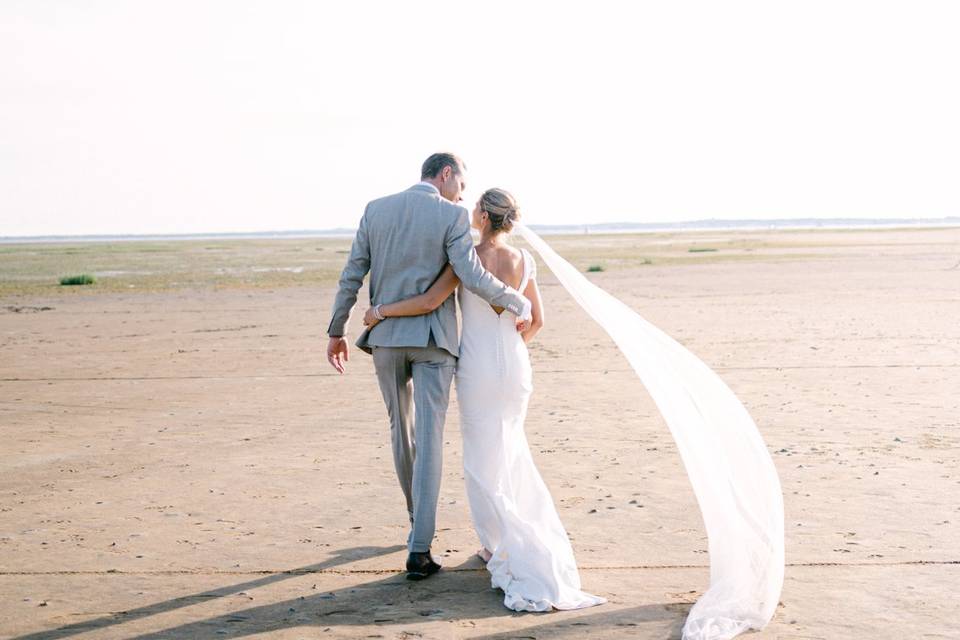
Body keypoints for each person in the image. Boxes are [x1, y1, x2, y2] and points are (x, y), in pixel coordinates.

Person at [362, 188, 606, 611]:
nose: (469, 210)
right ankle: (508, 537)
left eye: (475, 207)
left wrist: (380, 312)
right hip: (514, 367)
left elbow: (430, 300)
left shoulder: (466, 258)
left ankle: (495, 545)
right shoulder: (524, 260)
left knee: (479, 458)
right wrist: (509, 346)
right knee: (510, 449)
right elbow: (538, 320)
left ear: (484, 216)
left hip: (475, 370)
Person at [325, 153, 532, 581]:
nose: (463, 195)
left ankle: (414, 516)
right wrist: (516, 300)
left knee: (401, 432)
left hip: (383, 341)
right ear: (446, 174)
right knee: (431, 439)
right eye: (461, 184)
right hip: (434, 343)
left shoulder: (375, 209)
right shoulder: (452, 215)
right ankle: (419, 548)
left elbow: (351, 275)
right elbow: (471, 276)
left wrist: (336, 329)